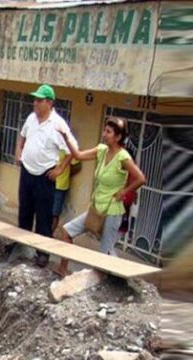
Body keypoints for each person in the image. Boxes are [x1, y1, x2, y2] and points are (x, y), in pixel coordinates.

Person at [55, 116, 146, 276]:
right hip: (96, 207)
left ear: (118, 137)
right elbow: (78, 155)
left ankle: (107, 282)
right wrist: (65, 137)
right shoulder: (101, 150)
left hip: (112, 210)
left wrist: (123, 192)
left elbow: (141, 178)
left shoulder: (123, 157)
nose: (104, 134)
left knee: (104, 253)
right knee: (67, 232)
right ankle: (63, 269)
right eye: (105, 130)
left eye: (108, 132)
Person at [15, 84, 76, 268]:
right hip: (27, 171)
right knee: (24, 211)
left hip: (44, 176)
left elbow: (73, 150)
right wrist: (19, 150)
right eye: (35, 100)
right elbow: (22, 136)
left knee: (43, 217)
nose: (35, 103)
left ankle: (42, 253)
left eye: (40, 100)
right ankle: (21, 246)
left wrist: (60, 169)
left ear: (49, 103)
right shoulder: (31, 118)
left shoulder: (58, 124)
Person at [51, 138, 82, 233]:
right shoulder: (51, 144)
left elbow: (77, 166)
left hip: (60, 185)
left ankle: (49, 234)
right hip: (47, 182)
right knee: (44, 210)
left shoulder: (68, 147)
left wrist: (65, 173)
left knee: (55, 213)